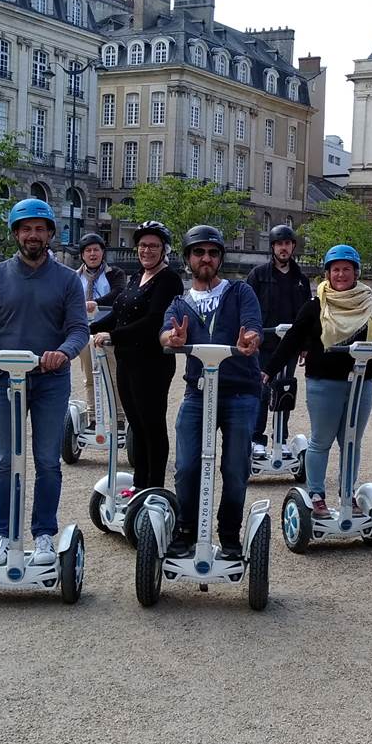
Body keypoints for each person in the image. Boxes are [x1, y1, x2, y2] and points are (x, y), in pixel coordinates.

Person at [0, 198, 89, 567]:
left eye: (40, 229)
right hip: (5, 378)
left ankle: (45, 533)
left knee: (48, 460)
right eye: (26, 228)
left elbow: (79, 329)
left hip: (50, 380)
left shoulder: (66, 280)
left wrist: (62, 353)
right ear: (16, 234)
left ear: (50, 234)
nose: (33, 235)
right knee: (5, 460)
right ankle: (3, 532)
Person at [263, 244, 372, 518]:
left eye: (346, 270)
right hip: (324, 381)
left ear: (355, 273)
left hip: (362, 382)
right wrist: (268, 370)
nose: (341, 275)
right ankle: (316, 496)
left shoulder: (370, 302)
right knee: (322, 441)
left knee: (351, 441)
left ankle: (348, 494)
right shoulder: (316, 305)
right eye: (335, 269)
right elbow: (292, 340)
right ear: (327, 273)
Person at [160, 226, 263, 560]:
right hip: (198, 393)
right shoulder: (180, 302)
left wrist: (249, 341)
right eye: (198, 252)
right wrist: (171, 340)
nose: (206, 258)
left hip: (239, 394)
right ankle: (186, 529)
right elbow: (165, 333)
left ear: (220, 258)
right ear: (188, 257)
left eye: (212, 253)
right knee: (187, 465)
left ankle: (229, 533)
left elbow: (253, 326)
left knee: (235, 466)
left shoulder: (240, 292)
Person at [89, 221, 183, 492]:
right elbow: (118, 313)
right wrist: (90, 328)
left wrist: (113, 336)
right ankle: (140, 485)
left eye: (153, 246)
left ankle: (154, 489)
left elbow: (155, 321)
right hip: (127, 361)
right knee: (136, 426)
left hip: (152, 363)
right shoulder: (136, 276)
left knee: (152, 425)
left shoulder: (169, 280)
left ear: (164, 249)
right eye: (142, 245)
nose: (147, 250)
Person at [246, 223, 311, 458]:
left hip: (289, 346)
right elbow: (247, 307)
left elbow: (306, 315)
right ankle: (257, 439)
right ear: (272, 247)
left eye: (287, 244)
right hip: (264, 344)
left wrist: (305, 346)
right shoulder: (258, 275)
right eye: (279, 244)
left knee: (285, 391)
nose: (283, 248)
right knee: (261, 391)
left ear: (293, 246)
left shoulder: (301, 280)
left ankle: (281, 439)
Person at [74, 232, 128, 429]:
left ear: (102, 252)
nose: (92, 254)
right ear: (82, 255)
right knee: (90, 377)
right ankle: (93, 418)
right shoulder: (74, 277)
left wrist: (94, 303)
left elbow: (118, 294)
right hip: (84, 332)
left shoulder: (115, 273)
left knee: (114, 376)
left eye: (96, 249)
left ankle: (119, 418)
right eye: (88, 250)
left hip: (108, 332)